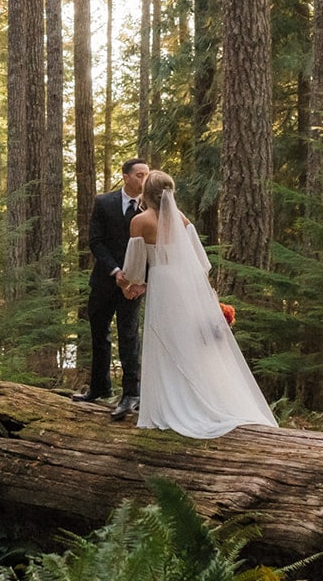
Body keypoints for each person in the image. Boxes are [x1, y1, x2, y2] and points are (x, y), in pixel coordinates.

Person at [119, 171, 278, 438]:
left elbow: (135, 267)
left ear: (146, 193)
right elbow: (202, 263)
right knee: (189, 343)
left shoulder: (140, 221)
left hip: (162, 285)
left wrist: (130, 284)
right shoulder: (182, 219)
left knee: (166, 341)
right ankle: (199, 398)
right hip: (185, 285)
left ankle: (171, 405)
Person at [81, 158, 151, 418]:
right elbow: (95, 241)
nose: (144, 180)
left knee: (129, 336)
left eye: (147, 175)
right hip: (104, 280)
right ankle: (99, 388)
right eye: (139, 175)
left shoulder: (150, 206)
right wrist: (115, 271)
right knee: (99, 333)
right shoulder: (104, 202)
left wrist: (136, 279)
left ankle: (131, 394)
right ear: (126, 176)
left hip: (133, 285)